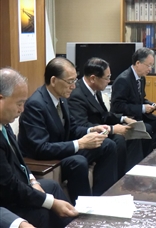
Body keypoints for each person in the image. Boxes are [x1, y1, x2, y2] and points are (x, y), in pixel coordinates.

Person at [18, 57, 118, 205]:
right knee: (78, 161)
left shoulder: (62, 98)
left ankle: (103, 197)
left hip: (61, 148)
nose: (74, 86)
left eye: (75, 80)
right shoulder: (35, 105)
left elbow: (71, 129)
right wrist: (80, 144)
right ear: (53, 80)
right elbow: (40, 148)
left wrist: (91, 129)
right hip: (44, 158)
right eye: (70, 82)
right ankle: (84, 207)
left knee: (107, 145)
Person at [0, 68, 78, 228]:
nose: (22, 110)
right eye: (19, 103)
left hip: (16, 189)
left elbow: (19, 162)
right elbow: (9, 187)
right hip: (7, 199)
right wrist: (50, 203)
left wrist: (32, 180)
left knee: (52, 187)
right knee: (43, 209)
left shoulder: (4, 124)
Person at [68, 57, 143, 178]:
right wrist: (112, 129)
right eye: (107, 77)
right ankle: (117, 180)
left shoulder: (95, 89)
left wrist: (123, 119)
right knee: (118, 139)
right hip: (89, 136)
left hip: (102, 131)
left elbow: (104, 115)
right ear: (93, 78)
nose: (109, 81)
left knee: (134, 133)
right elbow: (80, 126)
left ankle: (132, 176)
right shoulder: (77, 95)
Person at [111, 47, 156, 157]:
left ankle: (151, 152)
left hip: (139, 115)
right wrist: (142, 108)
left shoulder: (141, 78)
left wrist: (153, 105)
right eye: (148, 65)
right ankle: (146, 154)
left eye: (151, 65)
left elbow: (141, 99)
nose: (150, 69)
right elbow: (117, 106)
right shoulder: (123, 80)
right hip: (127, 118)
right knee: (147, 128)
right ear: (138, 63)